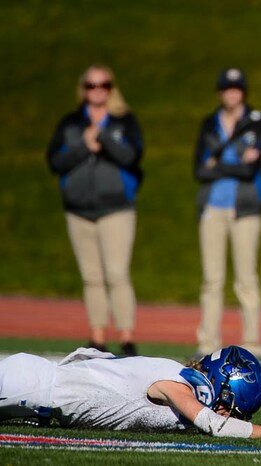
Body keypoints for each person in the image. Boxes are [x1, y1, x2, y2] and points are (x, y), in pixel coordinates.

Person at [0, 345, 261, 440]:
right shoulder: (181, 384)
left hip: (34, 391)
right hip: (28, 385)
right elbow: (215, 425)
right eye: (230, 405)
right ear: (220, 382)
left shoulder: (176, 373)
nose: (226, 413)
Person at [47, 64, 143, 357]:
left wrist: (101, 139)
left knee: (116, 273)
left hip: (115, 208)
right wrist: (83, 145)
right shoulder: (71, 123)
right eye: (91, 85)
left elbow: (132, 156)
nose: (97, 90)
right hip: (79, 209)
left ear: (111, 88)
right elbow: (55, 161)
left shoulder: (124, 122)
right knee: (91, 276)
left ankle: (126, 338)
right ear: (83, 89)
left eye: (103, 84)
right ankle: (97, 338)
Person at [194, 68, 261, 359]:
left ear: (243, 92)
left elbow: (251, 168)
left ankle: (252, 342)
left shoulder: (256, 122)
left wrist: (218, 164)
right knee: (212, 279)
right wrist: (235, 162)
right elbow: (198, 170)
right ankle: (207, 341)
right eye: (226, 89)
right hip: (213, 205)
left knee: (246, 277)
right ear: (220, 92)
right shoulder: (209, 124)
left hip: (244, 207)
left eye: (236, 89)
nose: (231, 94)